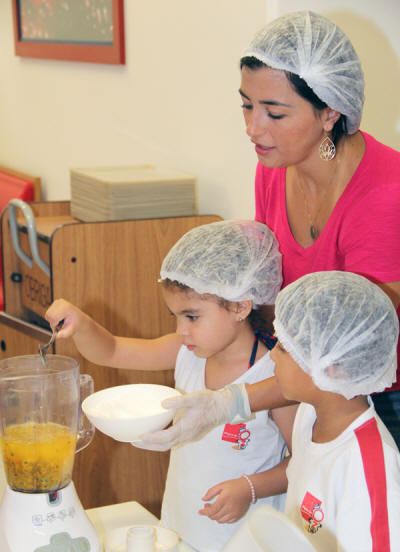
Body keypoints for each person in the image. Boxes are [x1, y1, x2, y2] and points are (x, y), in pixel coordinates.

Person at [136, 10, 400, 454]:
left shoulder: (384, 195)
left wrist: (234, 399)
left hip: (375, 398)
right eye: (247, 105)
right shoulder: (274, 169)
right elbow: (270, 293)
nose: (253, 128)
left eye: (274, 113)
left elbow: (343, 356)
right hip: (299, 381)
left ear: (330, 111)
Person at [45, 219, 298, 552]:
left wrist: (250, 487)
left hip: (245, 542)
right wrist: (81, 323)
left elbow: (303, 463)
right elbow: (111, 350)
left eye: (192, 317)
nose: (181, 330)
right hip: (179, 532)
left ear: (240, 306)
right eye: (175, 316)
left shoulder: (275, 379)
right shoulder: (186, 353)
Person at [270, 270, 400, 551]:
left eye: (283, 347)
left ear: (330, 365)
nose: (271, 355)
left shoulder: (366, 465)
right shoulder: (309, 414)